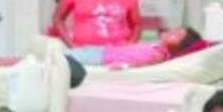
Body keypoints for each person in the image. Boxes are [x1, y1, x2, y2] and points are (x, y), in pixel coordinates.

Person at [65, 27, 206, 69]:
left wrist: (125, 66)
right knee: (65, 54)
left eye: (177, 35)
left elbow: (143, 65)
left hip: (102, 58)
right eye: (176, 30)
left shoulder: (160, 56)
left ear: (180, 47)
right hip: (103, 51)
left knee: (61, 58)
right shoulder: (156, 46)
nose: (172, 32)